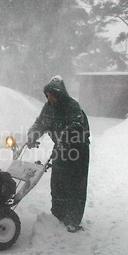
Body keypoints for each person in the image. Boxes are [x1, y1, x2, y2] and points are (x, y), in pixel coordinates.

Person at [26, 75, 90, 232]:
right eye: (47, 95)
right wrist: (33, 135)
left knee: (75, 186)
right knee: (58, 183)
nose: (49, 98)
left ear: (60, 94)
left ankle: (73, 220)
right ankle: (58, 215)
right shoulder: (48, 107)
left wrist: (66, 137)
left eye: (52, 95)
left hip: (78, 149)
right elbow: (40, 123)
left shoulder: (72, 106)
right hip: (60, 148)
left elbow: (76, 126)